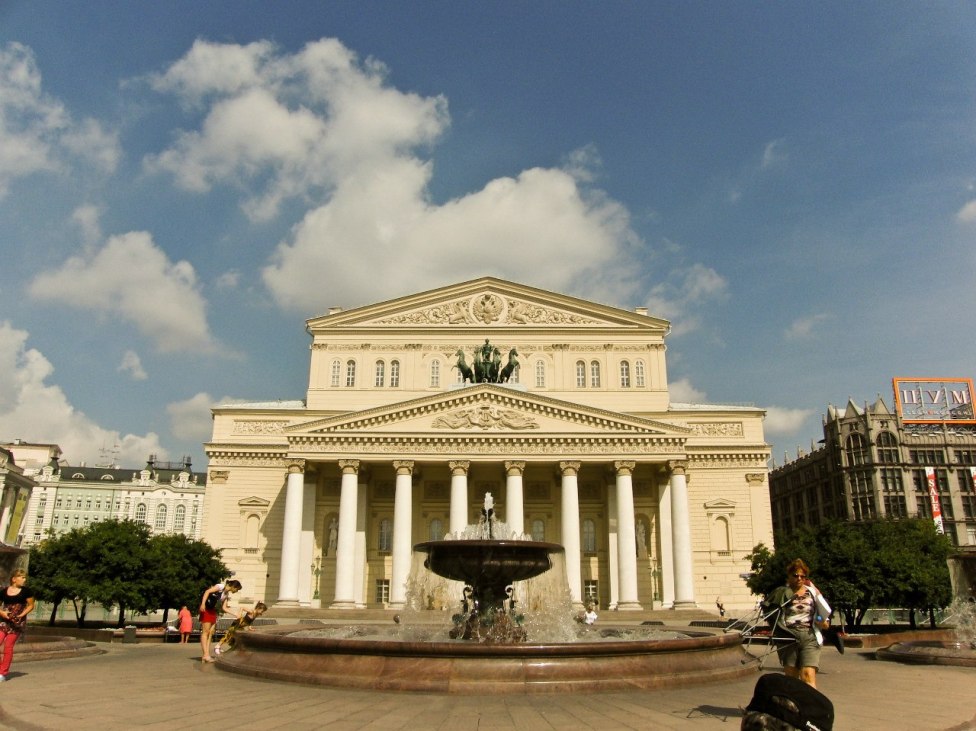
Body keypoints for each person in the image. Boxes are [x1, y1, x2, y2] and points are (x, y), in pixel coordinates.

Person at [762, 559, 831, 688]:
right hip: (788, 636)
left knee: (808, 674)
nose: (799, 578)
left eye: (802, 576)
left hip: (810, 636)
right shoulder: (781, 593)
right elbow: (770, 614)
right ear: (789, 576)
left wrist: (822, 622)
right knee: (791, 677)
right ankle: (792, 705)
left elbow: (823, 616)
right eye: (796, 575)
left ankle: (811, 706)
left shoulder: (812, 592)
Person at [0, 569, 36, 682]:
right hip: (4, 621)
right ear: (14, 579)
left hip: (17, 623)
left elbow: (31, 605)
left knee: (8, 646)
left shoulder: (26, 591)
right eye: (22, 577)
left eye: (25, 577)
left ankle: (2, 673)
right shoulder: (4, 591)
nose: (24, 580)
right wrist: (2, 613)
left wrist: (22, 615)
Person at [199, 579, 242, 663]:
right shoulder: (220, 586)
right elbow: (207, 592)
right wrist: (203, 603)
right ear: (234, 586)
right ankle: (205, 655)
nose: (236, 591)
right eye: (237, 589)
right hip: (206, 609)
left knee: (210, 633)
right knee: (205, 632)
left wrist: (235, 614)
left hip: (212, 611)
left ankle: (207, 654)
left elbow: (224, 608)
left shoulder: (226, 594)